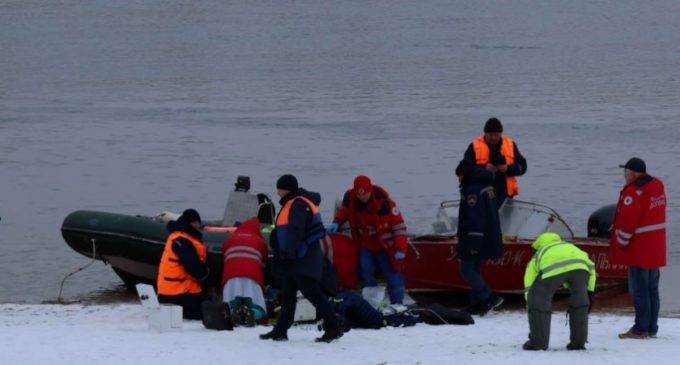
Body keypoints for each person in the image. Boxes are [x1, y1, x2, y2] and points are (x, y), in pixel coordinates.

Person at [259, 174, 342, 343]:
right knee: (288, 294)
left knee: (313, 294)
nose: (277, 192)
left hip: (302, 257)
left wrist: (288, 254)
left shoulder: (298, 204)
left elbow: (296, 231)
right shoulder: (295, 202)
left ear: (285, 189)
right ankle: (281, 330)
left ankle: (333, 327)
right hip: (297, 257)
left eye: (279, 189)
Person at [328, 175, 408, 310]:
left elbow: (399, 228)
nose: (363, 197)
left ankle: (398, 304)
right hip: (366, 245)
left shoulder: (386, 205)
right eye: (360, 194)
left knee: (393, 273)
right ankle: (372, 304)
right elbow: (343, 212)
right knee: (366, 271)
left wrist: (401, 249)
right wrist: (336, 222)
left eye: (365, 193)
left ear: (370, 190)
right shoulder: (351, 201)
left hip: (386, 246)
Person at [610, 157, 667, 339]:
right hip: (656, 247)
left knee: (639, 290)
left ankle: (640, 329)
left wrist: (621, 243)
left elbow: (628, 223)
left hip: (639, 248)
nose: (624, 176)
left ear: (632, 173)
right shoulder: (657, 186)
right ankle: (651, 328)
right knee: (652, 289)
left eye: (626, 173)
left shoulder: (633, 193)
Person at [522, 232, 596, 351]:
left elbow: (529, 284)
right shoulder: (571, 247)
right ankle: (578, 343)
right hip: (580, 268)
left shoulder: (539, 253)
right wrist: (589, 293)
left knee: (538, 299)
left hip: (552, 270)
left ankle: (538, 343)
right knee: (579, 304)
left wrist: (530, 302)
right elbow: (591, 266)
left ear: (539, 244)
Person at [455, 160, 504, 315]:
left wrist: (473, 243)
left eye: (460, 176)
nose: (459, 179)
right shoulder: (486, 187)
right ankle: (477, 304)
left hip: (476, 237)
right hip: (488, 236)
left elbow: (475, 218)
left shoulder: (473, 191)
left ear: (466, 175)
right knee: (475, 268)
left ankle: (488, 296)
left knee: (466, 269)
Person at [157, 209, 210, 320]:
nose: (198, 225)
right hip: (177, 294)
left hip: (167, 293)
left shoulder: (176, 236)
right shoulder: (183, 241)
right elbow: (195, 269)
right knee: (208, 309)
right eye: (196, 222)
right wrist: (208, 274)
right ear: (191, 223)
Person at [463, 117, 527, 207]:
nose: (493, 137)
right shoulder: (475, 146)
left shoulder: (510, 144)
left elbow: (523, 167)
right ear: (485, 133)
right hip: (482, 195)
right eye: (490, 134)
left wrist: (507, 169)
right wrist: (484, 167)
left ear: (500, 134)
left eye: (496, 134)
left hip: (506, 197)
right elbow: (464, 169)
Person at [221, 216, 268, 327]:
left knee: (230, 300)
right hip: (252, 276)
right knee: (255, 301)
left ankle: (232, 312)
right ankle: (253, 313)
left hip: (231, 275)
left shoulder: (230, 239)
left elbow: (224, 254)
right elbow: (265, 258)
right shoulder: (259, 241)